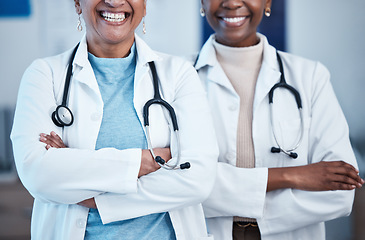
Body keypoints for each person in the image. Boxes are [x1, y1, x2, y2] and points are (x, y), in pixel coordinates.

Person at [10, 0, 218, 239]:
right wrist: (149, 160)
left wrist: (92, 194)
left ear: (145, 5)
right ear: (78, 3)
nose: (115, 1)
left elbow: (198, 180)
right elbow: (38, 174)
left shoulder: (179, 74)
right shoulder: (44, 75)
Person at [194, 0, 364, 239]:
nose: (232, 3)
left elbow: (340, 191)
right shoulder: (176, 78)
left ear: (267, 2)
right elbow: (173, 183)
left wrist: (227, 200)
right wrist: (293, 176)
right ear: (202, 2)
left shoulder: (310, 77)